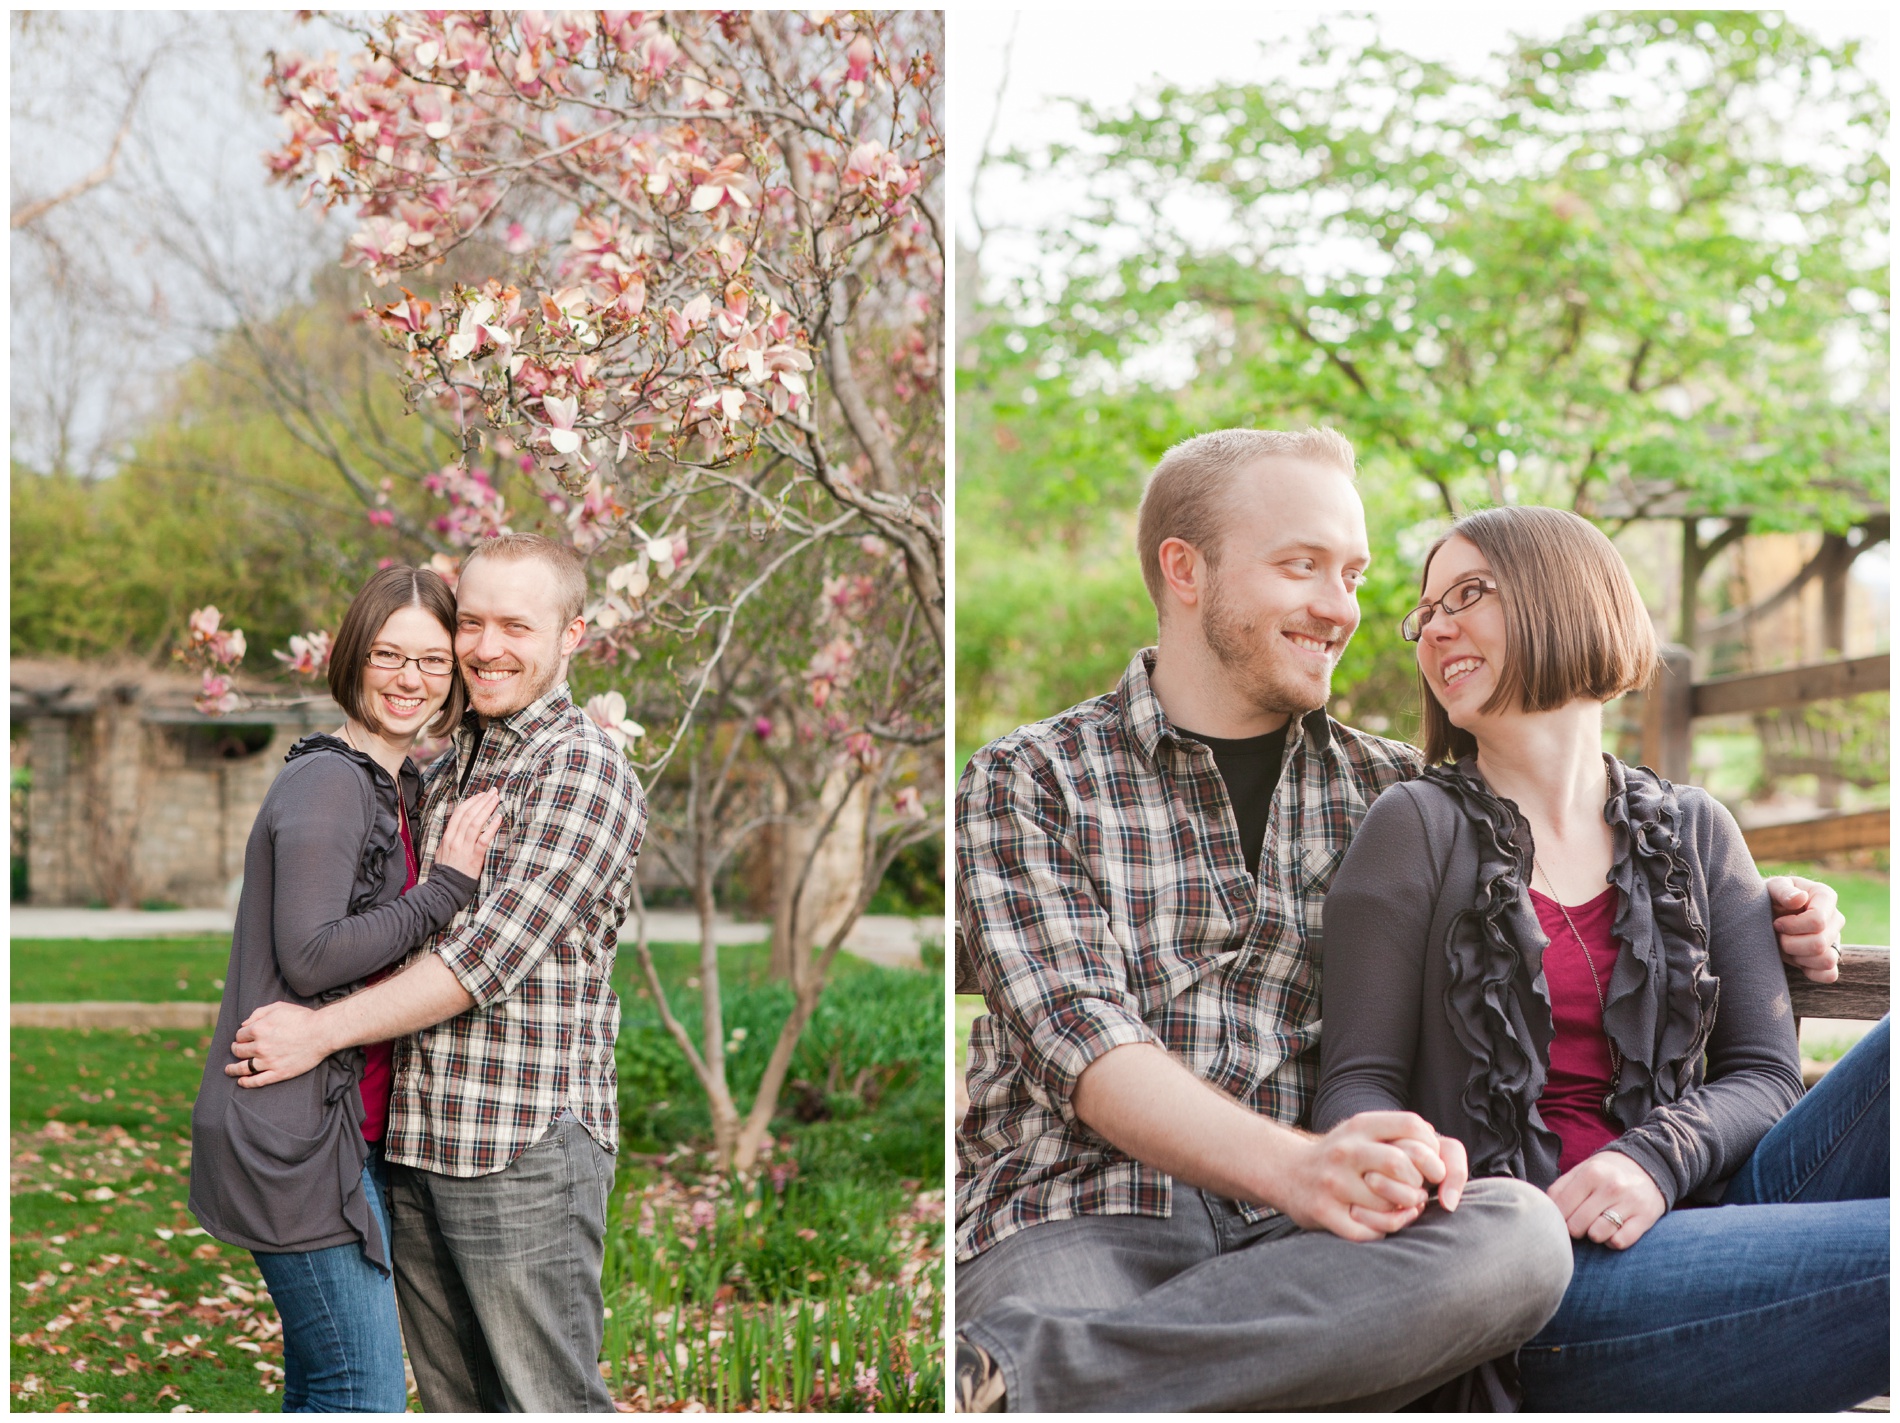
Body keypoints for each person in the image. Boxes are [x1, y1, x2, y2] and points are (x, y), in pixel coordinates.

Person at [953, 428, 1850, 1413]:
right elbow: (1086, 1045)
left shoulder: (1393, 789)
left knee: (1509, 1236)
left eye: (1355, 575)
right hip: (1085, 1215)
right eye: (1302, 567)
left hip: (1315, 1251)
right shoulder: (1031, 779)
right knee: (1512, 1239)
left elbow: (1574, 840)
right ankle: (1024, 1381)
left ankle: (1056, 1387)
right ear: (1185, 570)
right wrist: (1305, 1167)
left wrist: (1772, 915)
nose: (1344, 610)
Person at [1314, 504, 1888, 1411]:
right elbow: (1356, 1083)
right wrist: (1402, 1159)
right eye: (1425, 612)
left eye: (1468, 594)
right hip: (1542, 1275)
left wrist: (1657, 1159)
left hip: (1712, 1203)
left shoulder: (1693, 827)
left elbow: (1765, 1075)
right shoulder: (1415, 827)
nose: (1436, 628)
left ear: (1565, 596)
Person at [224, 532, 647, 1413]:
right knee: (458, 1402)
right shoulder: (451, 763)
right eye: (475, 622)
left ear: (572, 635)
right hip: (415, 1145)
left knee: (545, 1400)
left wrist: (317, 1032)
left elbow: (480, 958)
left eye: (517, 626)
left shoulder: (583, 767)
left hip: (519, 1147)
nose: (488, 646)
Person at [189, 565, 504, 1413]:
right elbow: (313, 954)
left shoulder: (390, 781)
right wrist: (445, 887)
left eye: (433, 663)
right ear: (353, 658)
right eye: (389, 655)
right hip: (291, 1138)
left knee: (327, 1383)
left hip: (335, 1131)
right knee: (361, 1392)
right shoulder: (332, 781)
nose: (411, 679)